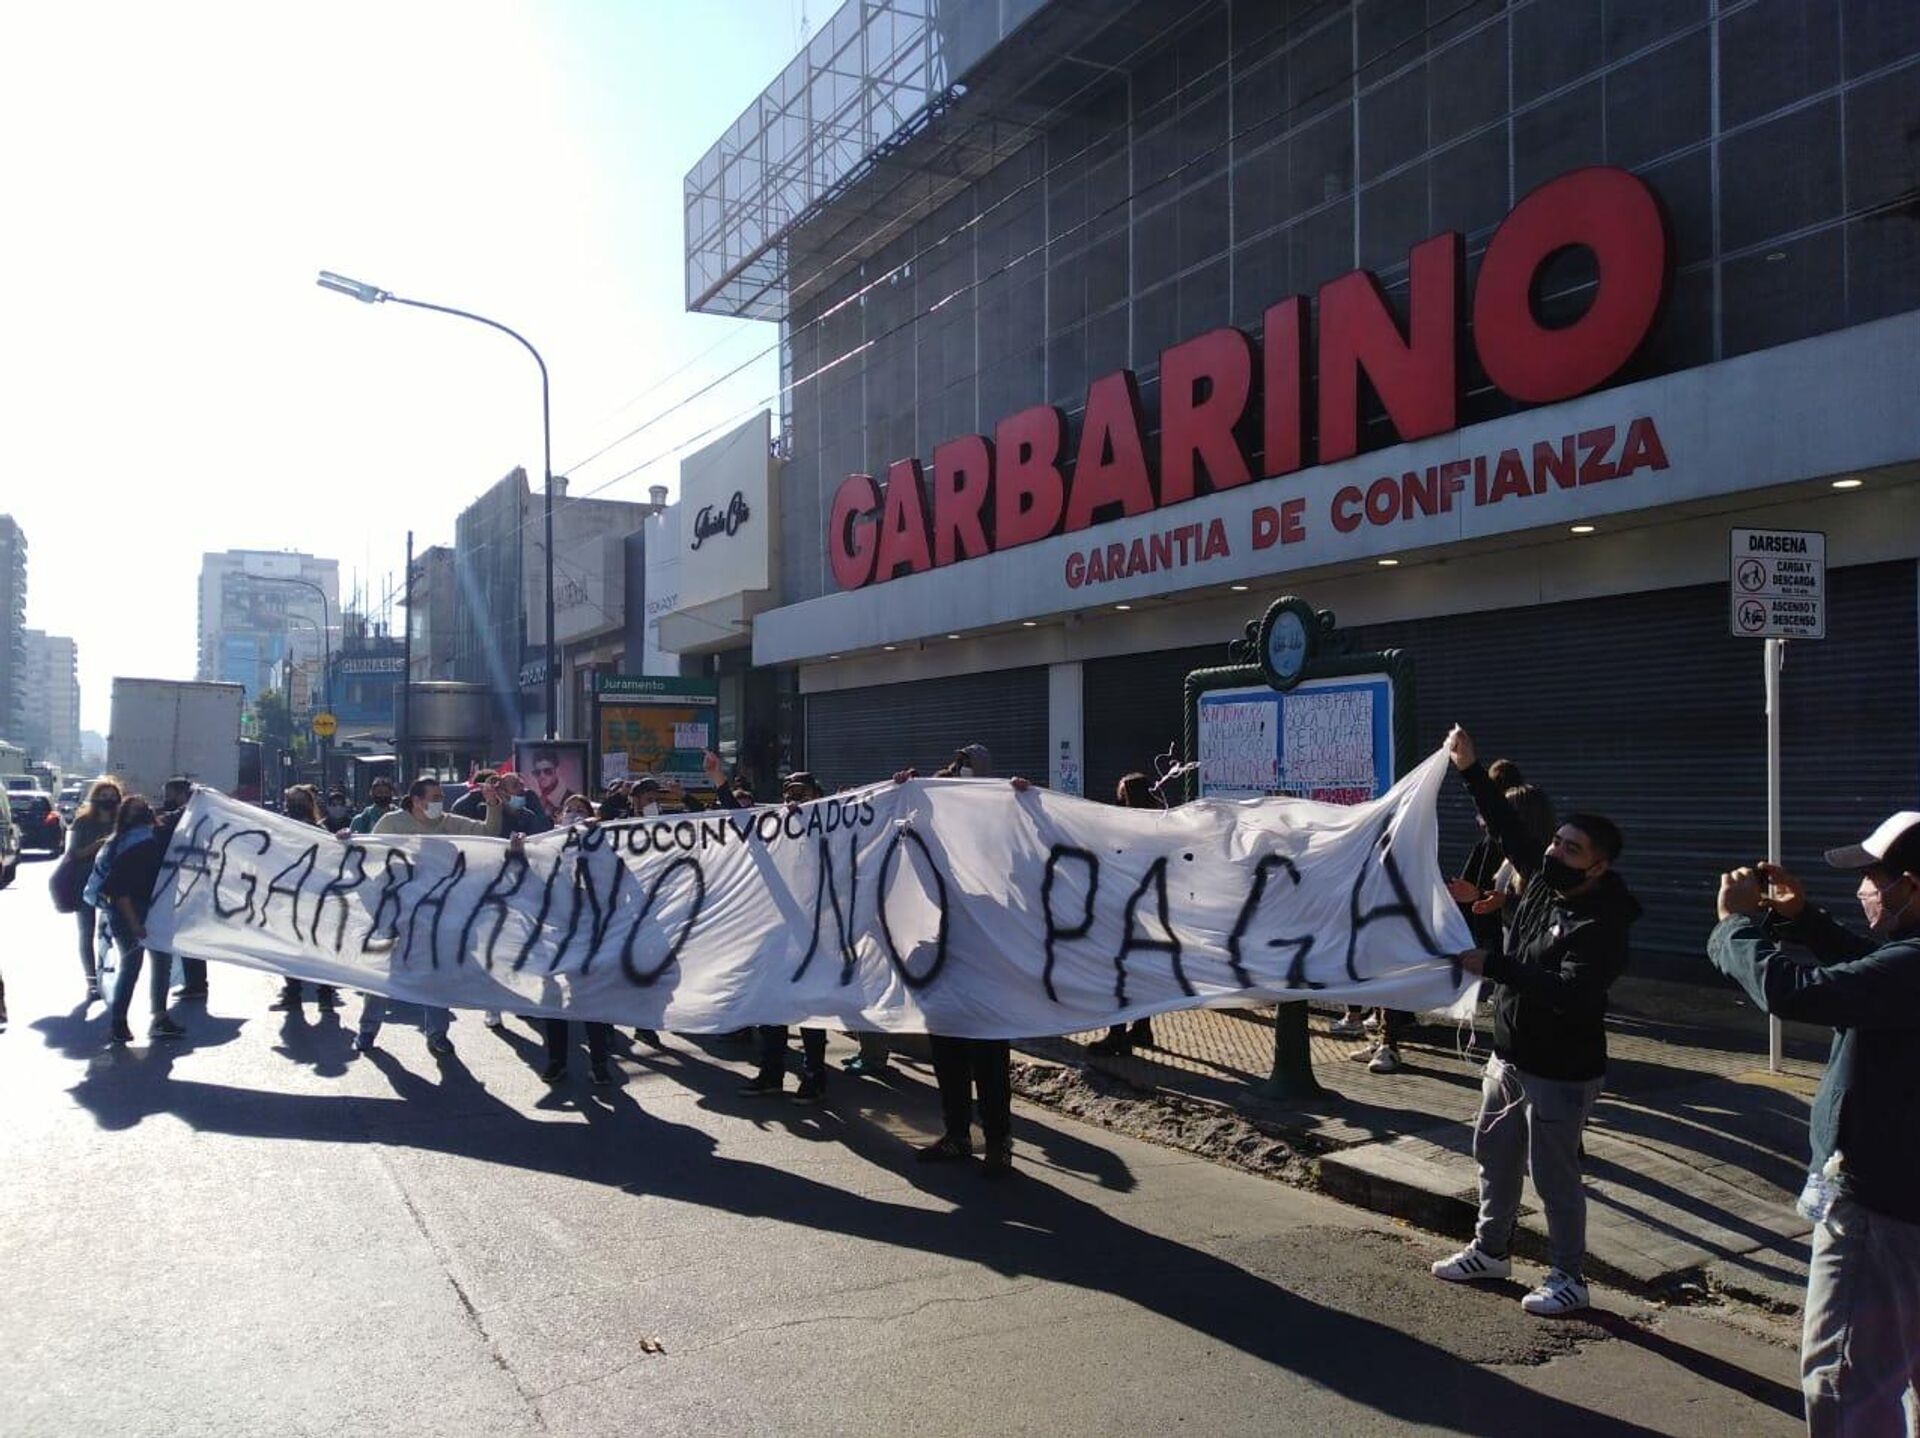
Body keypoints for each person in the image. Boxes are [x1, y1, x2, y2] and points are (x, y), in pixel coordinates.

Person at [1708, 812, 1920, 1432]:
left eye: (1874, 878)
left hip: (1882, 1209)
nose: (1863, 889)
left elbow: (1800, 992)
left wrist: (1733, 927)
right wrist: (1804, 919)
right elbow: (1871, 974)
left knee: (1845, 1381)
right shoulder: (1905, 964)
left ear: (1911, 885)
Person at [1430, 725, 1637, 1317]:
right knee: (1493, 1159)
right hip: (1510, 1057)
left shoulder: (1600, 925)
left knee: (1554, 1177)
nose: (1555, 854)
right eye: (1558, 842)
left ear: (1597, 867)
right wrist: (1469, 769)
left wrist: (1496, 965)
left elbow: (1571, 993)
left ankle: (1569, 1277)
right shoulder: (1544, 883)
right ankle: (1490, 1250)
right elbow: (1507, 827)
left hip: (1560, 1072)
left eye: (1573, 850)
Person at [901, 745, 1027, 1177]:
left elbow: (1028, 852)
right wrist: (905, 795)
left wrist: (1022, 803)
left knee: (989, 1063)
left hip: (988, 969)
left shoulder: (996, 831)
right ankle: (957, 1134)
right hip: (947, 968)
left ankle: (997, 1142)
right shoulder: (935, 842)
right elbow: (909, 842)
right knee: (949, 1059)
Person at [743, 766, 830, 1103]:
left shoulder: (830, 826)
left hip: (814, 936)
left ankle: (814, 1077)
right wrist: (719, 780)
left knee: (811, 1012)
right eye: (788, 792)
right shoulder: (774, 828)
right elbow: (736, 821)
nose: (792, 798)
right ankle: (771, 1073)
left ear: (817, 796)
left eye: (801, 792)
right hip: (778, 935)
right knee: (772, 1008)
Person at [96, 794, 184, 1045]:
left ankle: (160, 1017)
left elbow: (179, 817)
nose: (142, 812)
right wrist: (134, 923)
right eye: (137, 810)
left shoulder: (152, 839)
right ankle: (119, 1022)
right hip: (128, 912)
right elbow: (118, 890)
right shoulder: (132, 846)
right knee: (132, 967)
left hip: (151, 910)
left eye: (143, 808)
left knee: (162, 963)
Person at [1088, 772, 1160, 1057]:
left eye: (1120, 792)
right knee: (1142, 973)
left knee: (1117, 973)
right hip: (1150, 913)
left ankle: (1117, 1034)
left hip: (1124, 912)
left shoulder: (1125, 827)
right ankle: (1142, 1028)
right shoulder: (1158, 823)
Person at [269, 785, 342, 1013]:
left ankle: (324, 995)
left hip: (315, 898)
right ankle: (294, 992)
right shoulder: (282, 829)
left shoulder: (319, 831)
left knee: (318, 947)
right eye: (291, 802)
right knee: (291, 947)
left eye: (298, 802)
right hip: (290, 897)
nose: (294, 807)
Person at [64, 776, 123, 1003]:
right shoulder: (83, 822)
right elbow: (74, 854)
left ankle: (108, 975)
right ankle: (91, 982)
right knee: (86, 932)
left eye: (112, 796)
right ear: (95, 798)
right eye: (103, 796)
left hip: (115, 884)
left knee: (114, 934)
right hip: (85, 883)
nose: (108, 800)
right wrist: (99, 845)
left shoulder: (123, 822)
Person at [151, 778, 209, 1000]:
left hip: (188, 881)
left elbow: (171, 823)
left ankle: (196, 982)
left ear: (180, 794)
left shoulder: (190, 814)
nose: (166, 798)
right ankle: (195, 981)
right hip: (188, 879)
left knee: (187, 933)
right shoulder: (193, 812)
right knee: (187, 933)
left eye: (169, 794)